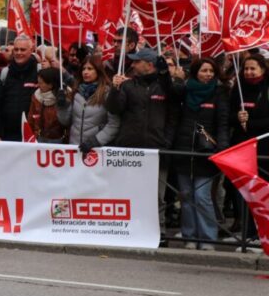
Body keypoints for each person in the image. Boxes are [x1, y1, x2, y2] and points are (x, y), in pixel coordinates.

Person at [107, 47, 176, 237]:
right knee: (129, 193)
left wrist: (166, 142)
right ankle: (130, 231)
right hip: (130, 147)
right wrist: (114, 89)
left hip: (157, 149)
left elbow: (173, 112)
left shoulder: (164, 86)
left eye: (137, 61)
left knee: (157, 196)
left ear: (149, 64)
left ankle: (158, 233)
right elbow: (115, 108)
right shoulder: (128, 85)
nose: (133, 64)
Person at [171, 58, 229, 250]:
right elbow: (172, 97)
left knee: (202, 196)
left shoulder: (219, 93)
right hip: (184, 148)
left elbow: (222, 124)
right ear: (195, 72)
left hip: (207, 152)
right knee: (186, 196)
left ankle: (207, 238)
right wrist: (178, 81)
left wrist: (221, 148)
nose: (208, 74)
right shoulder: (185, 90)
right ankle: (190, 235)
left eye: (211, 71)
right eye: (204, 71)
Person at [228, 54, 269, 242]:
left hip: (263, 150)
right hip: (241, 147)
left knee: (260, 192)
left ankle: (261, 234)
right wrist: (237, 118)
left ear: (263, 69)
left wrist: (251, 123)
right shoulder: (238, 88)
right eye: (246, 68)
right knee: (242, 192)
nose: (249, 72)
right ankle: (247, 233)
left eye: (253, 68)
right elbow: (227, 116)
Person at [56, 56, 119, 151]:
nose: (85, 72)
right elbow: (65, 121)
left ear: (98, 71)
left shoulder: (107, 93)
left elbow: (114, 124)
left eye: (90, 69)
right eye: (83, 69)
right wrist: (62, 106)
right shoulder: (76, 92)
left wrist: (96, 141)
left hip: (97, 150)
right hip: (75, 148)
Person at [0, 35, 39, 141]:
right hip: (7, 134)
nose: (18, 53)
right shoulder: (4, 73)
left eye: (22, 50)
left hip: (33, 134)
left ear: (31, 50)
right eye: (16, 49)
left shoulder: (40, 72)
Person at [27, 67, 66, 143]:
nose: (38, 85)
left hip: (58, 140)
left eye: (41, 83)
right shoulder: (36, 96)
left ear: (50, 85)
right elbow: (31, 118)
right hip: (38, 138)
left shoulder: (64, 98)